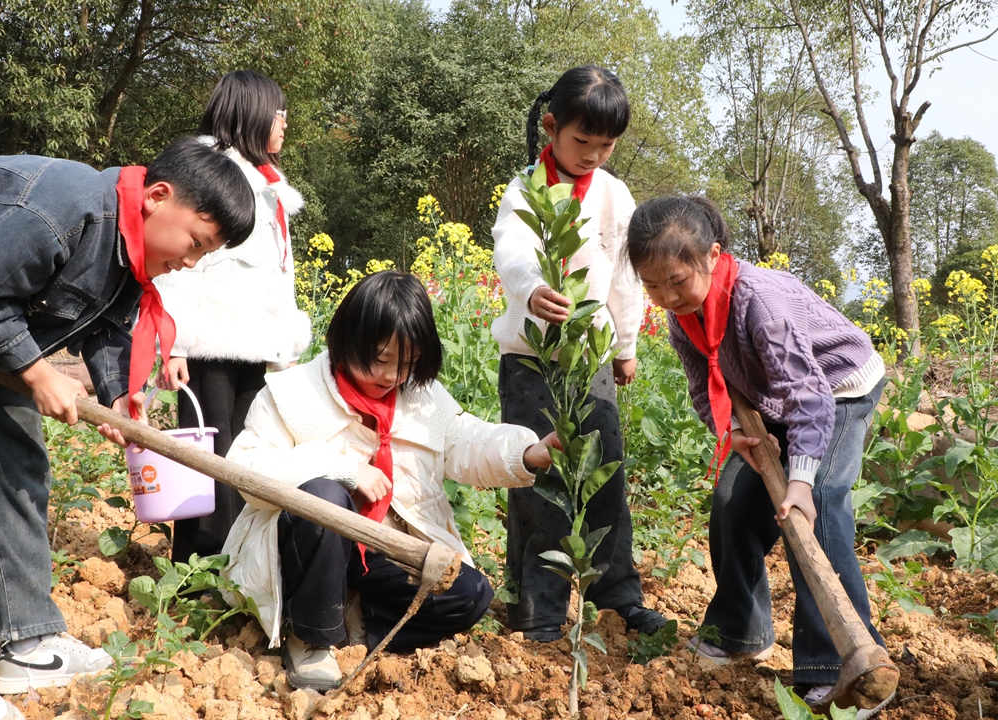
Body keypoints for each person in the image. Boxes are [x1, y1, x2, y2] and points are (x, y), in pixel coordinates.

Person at [0, 137, 255, 720]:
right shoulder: (61, 208)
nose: (192, 260)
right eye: (195, 242)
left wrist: (122, 394)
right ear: (157, 197)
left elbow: (104, 327)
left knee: (16, 466)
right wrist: (36, 370)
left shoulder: (129, 250)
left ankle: (28, 640)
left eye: (207, 252)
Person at [219, 271, 560, 690]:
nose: (391, 376)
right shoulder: (292, 392)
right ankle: (309, 637)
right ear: (348, 340)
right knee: (324, 496)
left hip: (378, 549)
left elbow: (467, 440)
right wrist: (342, 467)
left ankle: (358, 630)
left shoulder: (422, 397)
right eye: (380, 359)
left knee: (468, 594)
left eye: (407, 363)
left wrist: (525, 452)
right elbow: (246, 471)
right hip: (300, 549)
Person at [625, 195, 892, 716]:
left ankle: (841, 662)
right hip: (771, 399)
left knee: (815, 507)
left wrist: (801, 478)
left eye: (677, 281)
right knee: (731, 500)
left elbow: (809, 395)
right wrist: (731, 435)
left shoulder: (760, 301)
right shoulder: (684, 316)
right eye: (651, 286)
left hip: (837, 389)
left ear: (714, 255)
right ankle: (741, 631)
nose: (665, 296)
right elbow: (704, 385)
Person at [491, 64, 664, 641]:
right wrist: (530, 289)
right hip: (531, 361)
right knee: (539, 482)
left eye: (605, 145)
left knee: (604, 478)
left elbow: (623, 276)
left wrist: (627, 343)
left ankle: (618, 599)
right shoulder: (525, 189)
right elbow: (511, 247)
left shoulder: (614, 196)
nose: (592, 154)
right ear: (550, 126)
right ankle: (538, 608)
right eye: (581, 141)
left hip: (590, 363)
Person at [155, 70, 311, 563]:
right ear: (253, 113)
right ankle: (198, 566)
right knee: (208, 455)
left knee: (245, 452)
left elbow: (275, 277)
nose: (285, 123)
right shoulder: (212, 174)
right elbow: (178, 265)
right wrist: (173, 343)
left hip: (254, 347)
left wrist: (284, 347)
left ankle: (239, 558)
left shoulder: (268, 186)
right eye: (278, 112)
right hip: (208, 345)